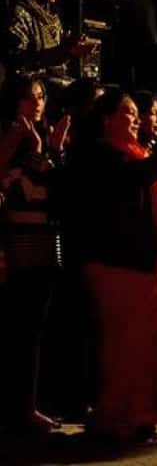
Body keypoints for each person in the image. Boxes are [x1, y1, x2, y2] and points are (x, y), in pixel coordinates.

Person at [65, 91, 157, 440]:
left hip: (143, 264)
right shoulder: (101, 154)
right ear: (106, 119)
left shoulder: (133, 152)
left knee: (148, 342)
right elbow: (137, 178)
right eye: (129, 113)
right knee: (126, 342)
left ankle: (143, 412)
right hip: (121, 263)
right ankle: (118, 414)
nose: (137, 119)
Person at [0, 76, 68, 433]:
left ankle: (30, 403)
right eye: (28, 97)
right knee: (17, 328)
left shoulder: (47, 136)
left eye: (41, 96)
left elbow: (58, 190)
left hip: (45, 241)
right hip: (15, 241)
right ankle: (17, 408)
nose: (36, 103)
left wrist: (52, 150)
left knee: (35, 329)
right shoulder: (10, 138)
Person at [5, 0, 98, 87]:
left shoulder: (52, 15)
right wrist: (65, 52)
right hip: (31, 82)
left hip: (55, 77)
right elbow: (19, 60)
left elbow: (59, 47)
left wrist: (73, 44)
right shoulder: (21, 13)